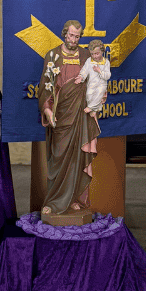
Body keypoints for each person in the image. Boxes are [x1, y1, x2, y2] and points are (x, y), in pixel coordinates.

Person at [38, 20, 100, 215]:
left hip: (80, 116)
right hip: (60, 115)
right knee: (58, 158)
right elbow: (45, 86)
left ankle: (75, 198)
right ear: (64, 34)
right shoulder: (52, 55)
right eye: (71, 35)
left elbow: (97, 82)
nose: (73, 39)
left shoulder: (85, 56)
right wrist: (47, 109)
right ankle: (54, 201)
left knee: (78, 158)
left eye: (77, 36)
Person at [76, 39, 111, 116]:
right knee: (89, 95)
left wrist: (99, 71)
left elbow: (108, 76)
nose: (94, 56)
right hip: (91, 83)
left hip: (101, 84)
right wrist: (81, 77)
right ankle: (95, 109)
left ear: (102, 51)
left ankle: (91, 107)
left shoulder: (106, 62)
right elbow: (85, 70)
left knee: (99, 94)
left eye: (97, 53)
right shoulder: (89, 61)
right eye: (92, 54)